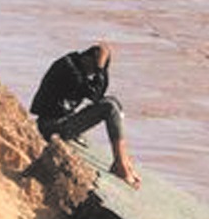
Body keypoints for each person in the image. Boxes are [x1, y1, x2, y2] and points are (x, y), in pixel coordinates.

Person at [31, 42, 140, 184]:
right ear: (88, 58)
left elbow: (100, 93)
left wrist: (102, 66)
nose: (92, 75)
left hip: (61, 120)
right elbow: (96, 94)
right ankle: (121, 165)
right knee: (109, 107)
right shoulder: (69, 68)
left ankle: (122, 160)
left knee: (114, 102)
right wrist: (100, 66)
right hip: (51, 126)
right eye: (93, 70)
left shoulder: (77, 65)